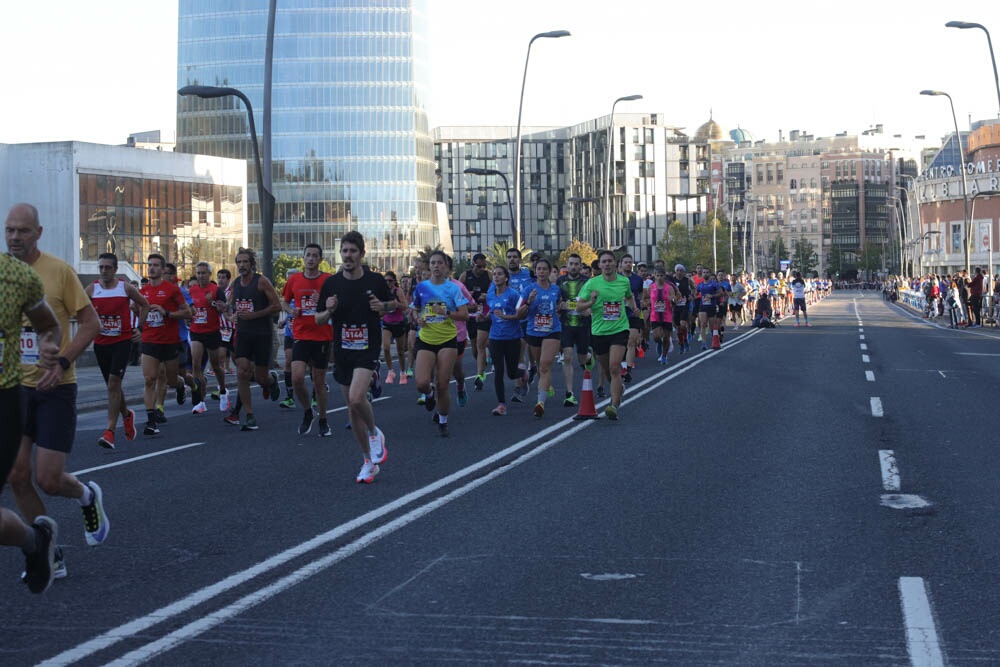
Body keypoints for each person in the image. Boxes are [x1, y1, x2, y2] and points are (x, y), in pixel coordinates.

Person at [4, 203, 107, 584]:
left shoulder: (58, 272)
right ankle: (48, 552)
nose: (15, 237)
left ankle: (85, 495)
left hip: (55, 388)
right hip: (15, 388)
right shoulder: (3, 275)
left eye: (23, 231)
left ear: (39, 233)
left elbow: (91, 324)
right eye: (9, 230)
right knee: (16, 475)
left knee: (48, 479)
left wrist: (62, 362)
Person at [0, 250, 63, 593]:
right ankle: (34, 540)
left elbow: (48, 324)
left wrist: (49, 346)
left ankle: (34, 540)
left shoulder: (16, 277)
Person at [315, 231, 395, 482]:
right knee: (352, 408)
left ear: (362, 254)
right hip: (343, 350)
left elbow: (394, 304)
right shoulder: (331, 284)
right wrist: (328, 311)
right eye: (345, 251)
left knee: (356, 396)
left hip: (367, 348)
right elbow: (318, 320)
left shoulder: (375, 280)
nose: (348, 255)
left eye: (353, 251)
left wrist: (383, 307)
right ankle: (368, 461)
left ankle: (374, 433)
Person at [86, 252, 149, 448]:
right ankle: (126, 414)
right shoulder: (92, 289)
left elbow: (145, 305)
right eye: (101, 267)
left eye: (107, 267)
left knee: (114, 383)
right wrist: (90, 315)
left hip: (122, 342)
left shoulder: (125, 287)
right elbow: (79, 310)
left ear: (115, 269)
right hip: (101, 344)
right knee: (113, 386)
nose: (104, 271)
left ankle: (110, 432)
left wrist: (140, 329)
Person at [409, 250, 469, 437]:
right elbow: (414, 310)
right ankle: (428, 394)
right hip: (426, 338)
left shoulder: (453, 289)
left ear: (445, 267)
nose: (436, 266)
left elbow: (465, 315)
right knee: (421, 383)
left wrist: (445, 313)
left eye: (439, 263)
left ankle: (443, 421)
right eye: (433, 263)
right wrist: (418, 318)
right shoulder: (421, 287)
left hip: (447, 339)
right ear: (429, 267)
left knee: (442, 383)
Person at [576, 250, 634, 420]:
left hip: (619, 329)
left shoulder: (624, 282)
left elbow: (630, 297)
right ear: (599, 265)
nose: (607, 264)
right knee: (608, 370)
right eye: (604, 261)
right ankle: (618, 388)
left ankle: (614, 405)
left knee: (615, 366)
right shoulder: (591, 284)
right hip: (599, 331)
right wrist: (591, 302)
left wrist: (635, 308)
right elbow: (578, 307)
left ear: (615, 264)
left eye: (610, 261)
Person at [282, 243, 334, 437]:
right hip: (301, 335)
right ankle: (307, 412)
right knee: (296, 378)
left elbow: (335, 302)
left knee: (319, 381)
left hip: (322, 336)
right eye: (308, 255)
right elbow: (284, 301)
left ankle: (323, 420)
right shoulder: (294, 280)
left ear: (320, 260)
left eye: (315, 256)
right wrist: (290, 311)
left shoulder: (327, 280)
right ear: (303, 258)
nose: (311, 258)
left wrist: (322, 300)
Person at [227, 247, 281, 431]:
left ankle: (271, 382)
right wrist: (227, 310)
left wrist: (255, 315)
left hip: (262, 334)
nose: (242, 265)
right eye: (239, 262)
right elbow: (233, 307)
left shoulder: (261, 282)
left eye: (245, 262)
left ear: (252, 264)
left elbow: (277, 306)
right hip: (243, 334)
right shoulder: (235, 284)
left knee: (260, 378)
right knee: (242, 371)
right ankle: (249, 414)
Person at [137, 254, 191, 436]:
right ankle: (151, 421)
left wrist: (166, 313)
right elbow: (140, 314)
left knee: (172, 380)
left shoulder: (171, 290)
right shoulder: (142, 292)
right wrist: (138, 321)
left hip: (170, 342)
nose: (151, 268)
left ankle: (181, 385)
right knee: (149, 379)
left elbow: (188, 313)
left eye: (155, 265)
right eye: (149, 265)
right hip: (149, 341)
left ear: (162, 269)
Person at [520, 257, 563, 417]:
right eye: (539, 269)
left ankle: (540, 403)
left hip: (552, 330)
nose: (542, 272)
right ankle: (546, 386)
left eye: (545, 269)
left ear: (550, 271)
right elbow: (520, 312)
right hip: (533, 331)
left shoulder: (555, 289)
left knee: (545, 365)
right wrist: (529, 302)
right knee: (539, 366)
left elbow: (560, 305)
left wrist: (562, 307)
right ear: (535, 271)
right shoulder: (528, 289)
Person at [188, 261, 229, 413]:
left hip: (212, 332)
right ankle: (200, 400)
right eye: (198, 273)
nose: (201, 276)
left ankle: (223, 391)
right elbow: (188, 308)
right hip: (196, 331)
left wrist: (219, 306)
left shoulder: (216, 290)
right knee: (196, 364)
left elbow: (224, 308)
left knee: (216, 366)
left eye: (204, 273)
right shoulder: (191, 290)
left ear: (209, 274)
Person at [485, 266, 526, 416]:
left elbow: (520, 316)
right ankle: (501, 405)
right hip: (495, 337)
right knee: (498, 371)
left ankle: (524, 373)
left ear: (506, 278)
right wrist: (483, 317)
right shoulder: (491, 295)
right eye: (494, 274)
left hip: (513, 337)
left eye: (500, 274)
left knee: (511, 373)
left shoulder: (514, 295)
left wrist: (505, 316)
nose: (496, 277)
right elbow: (491, 313)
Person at [556, 253, 593, 407]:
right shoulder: (560, 281)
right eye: (571, 264)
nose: (573, 267)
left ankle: (589, 356)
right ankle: (569, 393)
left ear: (580, 266)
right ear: (567, 265)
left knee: (582, 359)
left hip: (583, 324)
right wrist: (561, 306)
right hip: (566, 324)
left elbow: (593, 301)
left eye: (576, 264)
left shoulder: (587, 282)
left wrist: (589, 309)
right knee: (568, 356)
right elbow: (558, 303)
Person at [460, 253, 492, 390]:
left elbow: (496, 291)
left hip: (484, 313)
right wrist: (468, 295)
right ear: (473, 264)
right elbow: (457, 292)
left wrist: (487, 296)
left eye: (484, 266)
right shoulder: (465, 276)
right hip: (471, 313)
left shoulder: (489, 275)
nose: (481, 269)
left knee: (481, 343)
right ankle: (482, 363)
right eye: (479, 266)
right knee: (474, 347)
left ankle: (480, 375)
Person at [380, 271, 410, 384]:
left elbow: (405, 306)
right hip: (387, 323)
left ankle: (402, 372)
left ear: (394, 281)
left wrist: (396, 304)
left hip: (398, 323)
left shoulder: (398, 291)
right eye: (386, 281)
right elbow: (380, 308)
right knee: (386, 348)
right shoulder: (383, 292)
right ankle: (390, 371)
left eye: (390, 280)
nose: (388, 283)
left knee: (400, 351)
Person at [644, 266, 677, 364]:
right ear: (654, 276)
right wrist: (647, 303)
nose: (659, 277)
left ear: (664, 276)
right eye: (657, 275)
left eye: (661, 275)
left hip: (666, 315)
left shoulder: (669, 287)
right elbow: (645, 298)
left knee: (666, 337)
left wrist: (672, 300)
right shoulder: (651, 287)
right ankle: (659, 344)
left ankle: (664, 356)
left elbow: (674, 298)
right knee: (656, 337)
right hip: (655, 316)